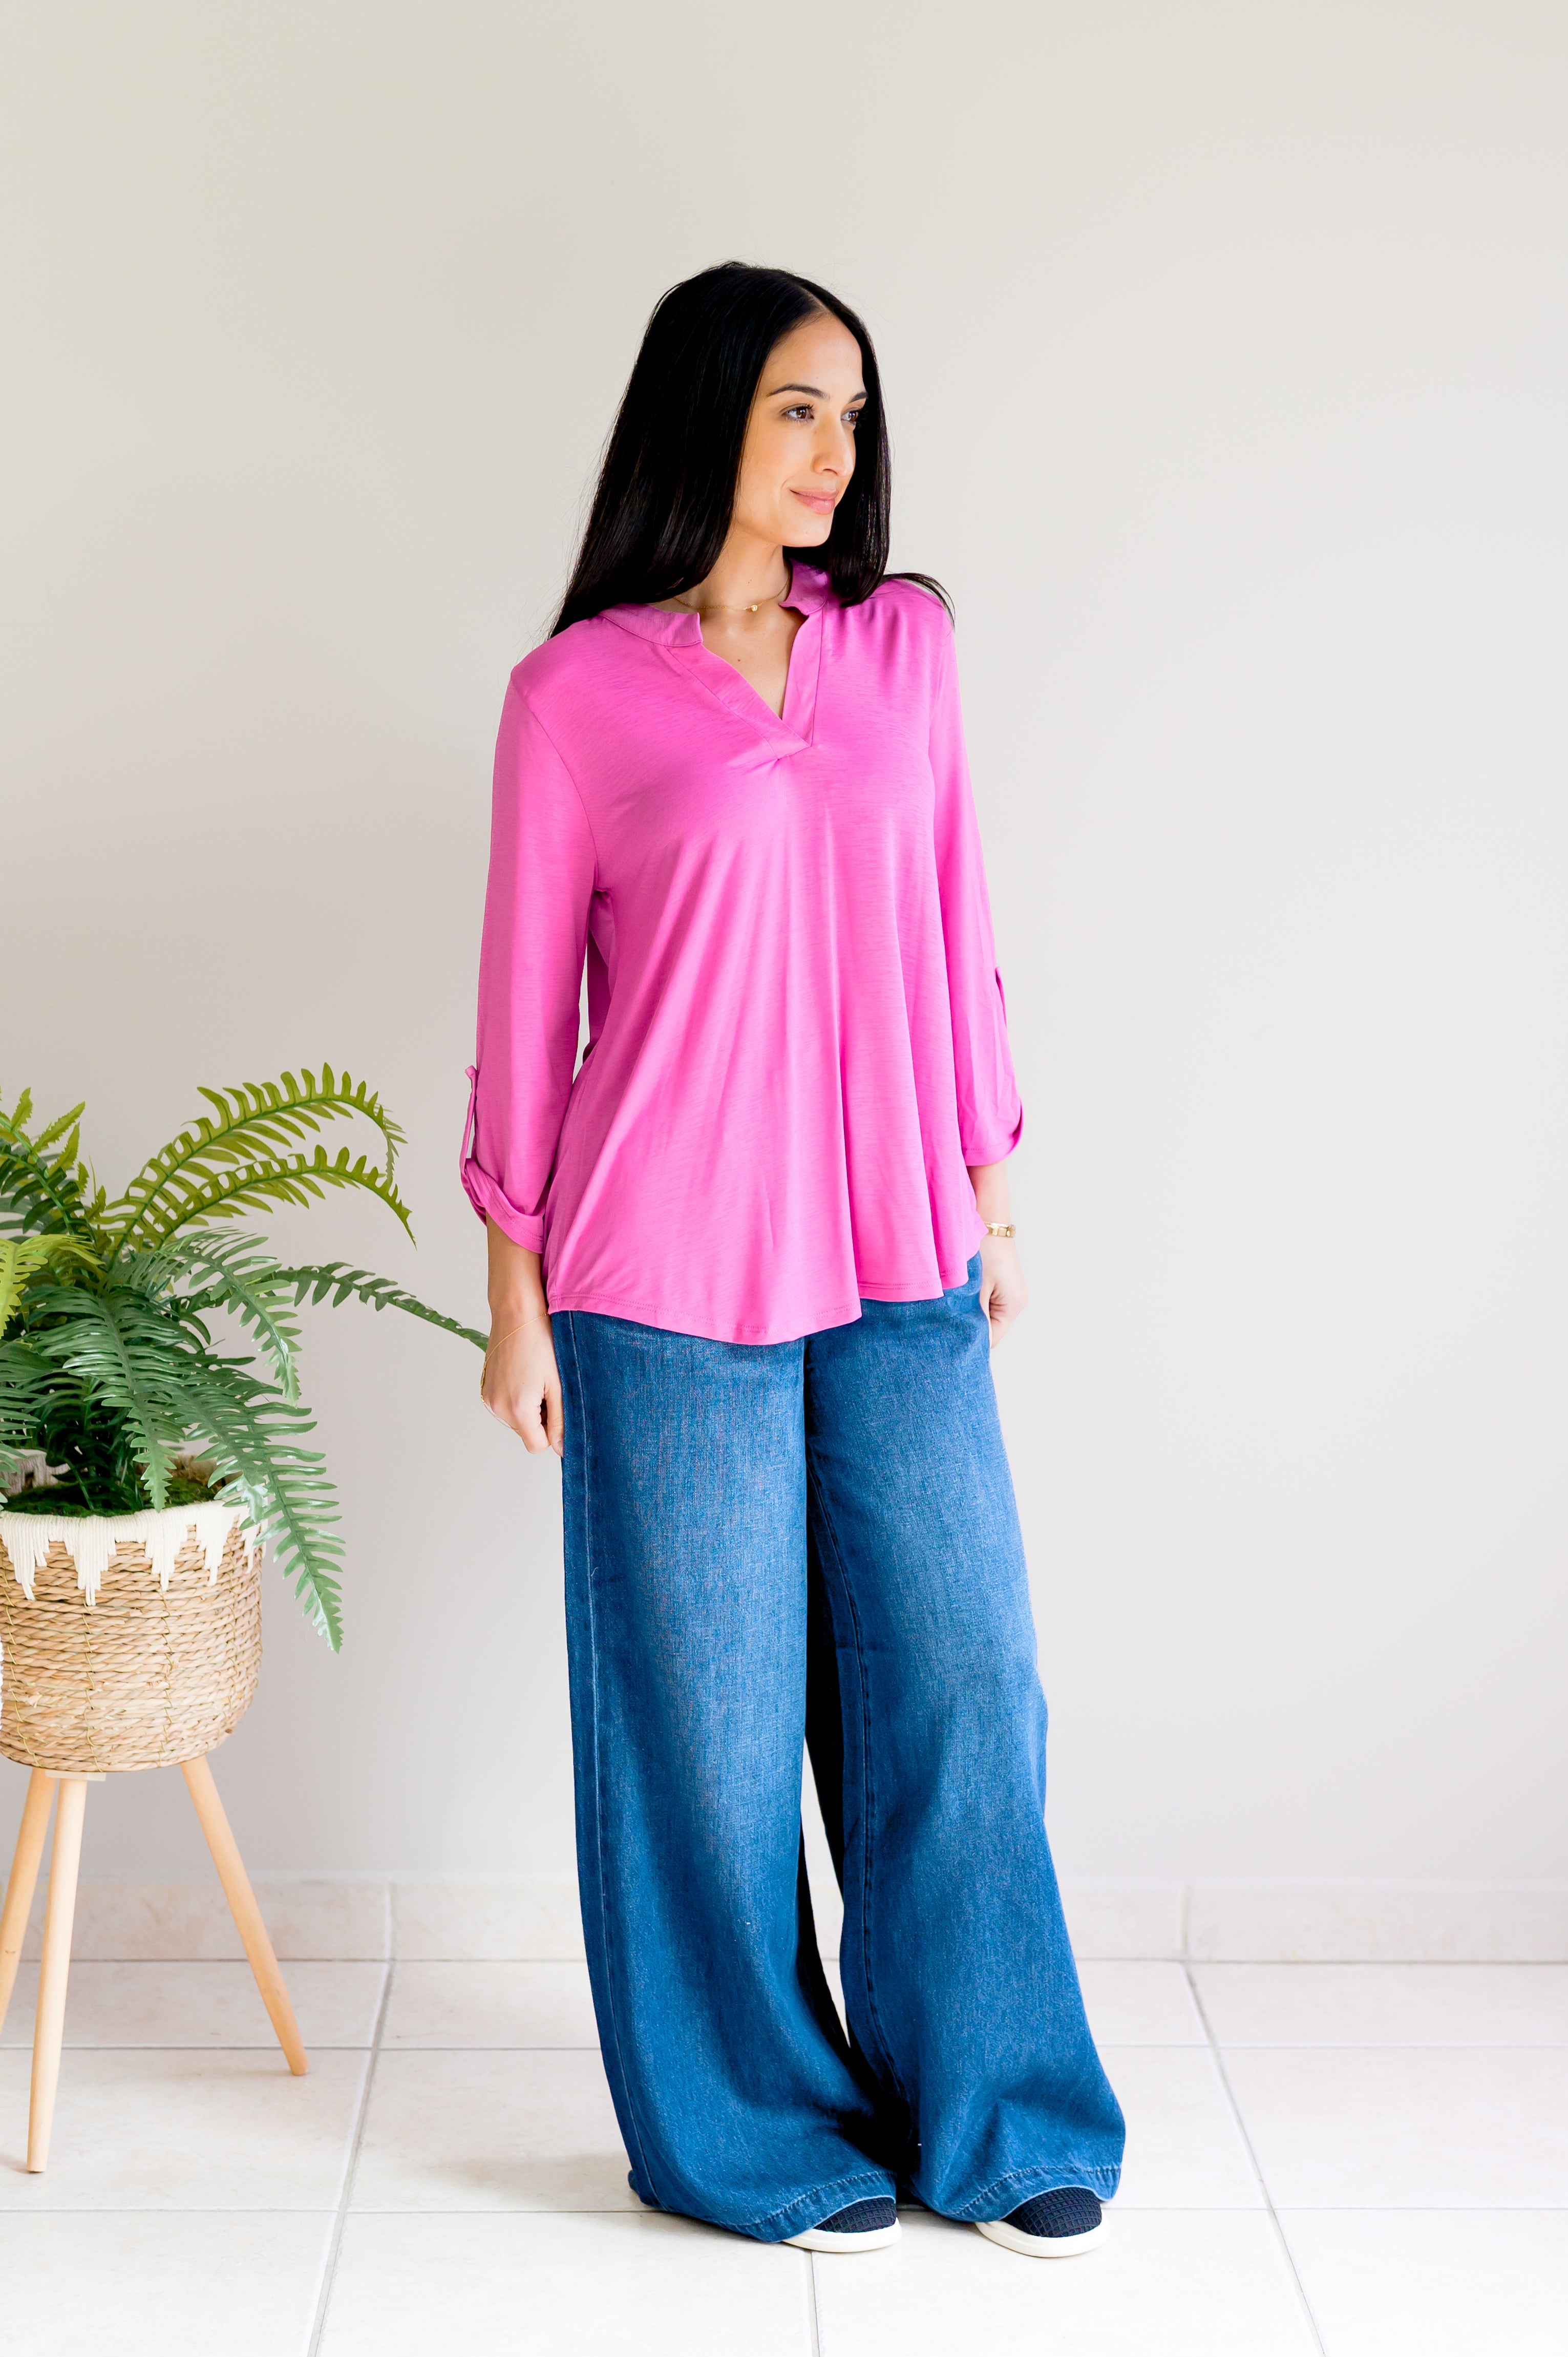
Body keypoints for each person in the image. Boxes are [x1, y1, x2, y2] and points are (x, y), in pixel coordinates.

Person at [462, 261, 1125, 2257]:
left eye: (851, 411)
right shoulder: (573, 696)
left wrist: (992, 1190)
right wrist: (512, 1306)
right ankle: (752, 2127)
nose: (835, 450)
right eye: (793, 409)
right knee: (708, 1731)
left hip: (903, 1247)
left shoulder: (905, 647)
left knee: (965, 1684)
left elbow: (956, 922)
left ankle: (998, 2109)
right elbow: (525, 1022)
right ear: (706, 419)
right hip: (662, 1274)